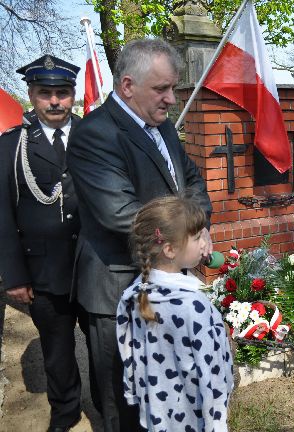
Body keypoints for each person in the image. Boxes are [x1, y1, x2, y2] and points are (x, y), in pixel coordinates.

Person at [67, 38, 213, 431]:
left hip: (162, 279)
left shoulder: (161, 127)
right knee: (123, 403)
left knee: (162, 390)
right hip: (116, 288)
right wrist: (190, 239)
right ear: (128, 86)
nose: (171, 99)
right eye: (162, 89)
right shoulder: (95, 134)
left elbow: (192, 180)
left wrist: (199, 228)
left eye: (174, 88)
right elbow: (122, 215)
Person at [0, 55, 85, 432]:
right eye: (45, 93)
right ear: (31, 95)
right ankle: (65, 414)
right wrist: (14, 276)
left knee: (106, 351)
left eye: (62, 93)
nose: (55, 101)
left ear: (73, 95)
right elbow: (2, 216)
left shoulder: (95, 136)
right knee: (57, 351)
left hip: (94, 267)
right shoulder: (10, 147)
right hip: (43, 270)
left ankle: (112, 412)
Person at [117, 196, 233, 432]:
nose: (205, 243)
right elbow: (212, 374)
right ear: (169, 249)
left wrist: (132, 393)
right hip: (194, 418)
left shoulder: (134, 294)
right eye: (197, 236)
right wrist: (217, 424)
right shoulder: (195, 307)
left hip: (154, 414)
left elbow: (127, 351)